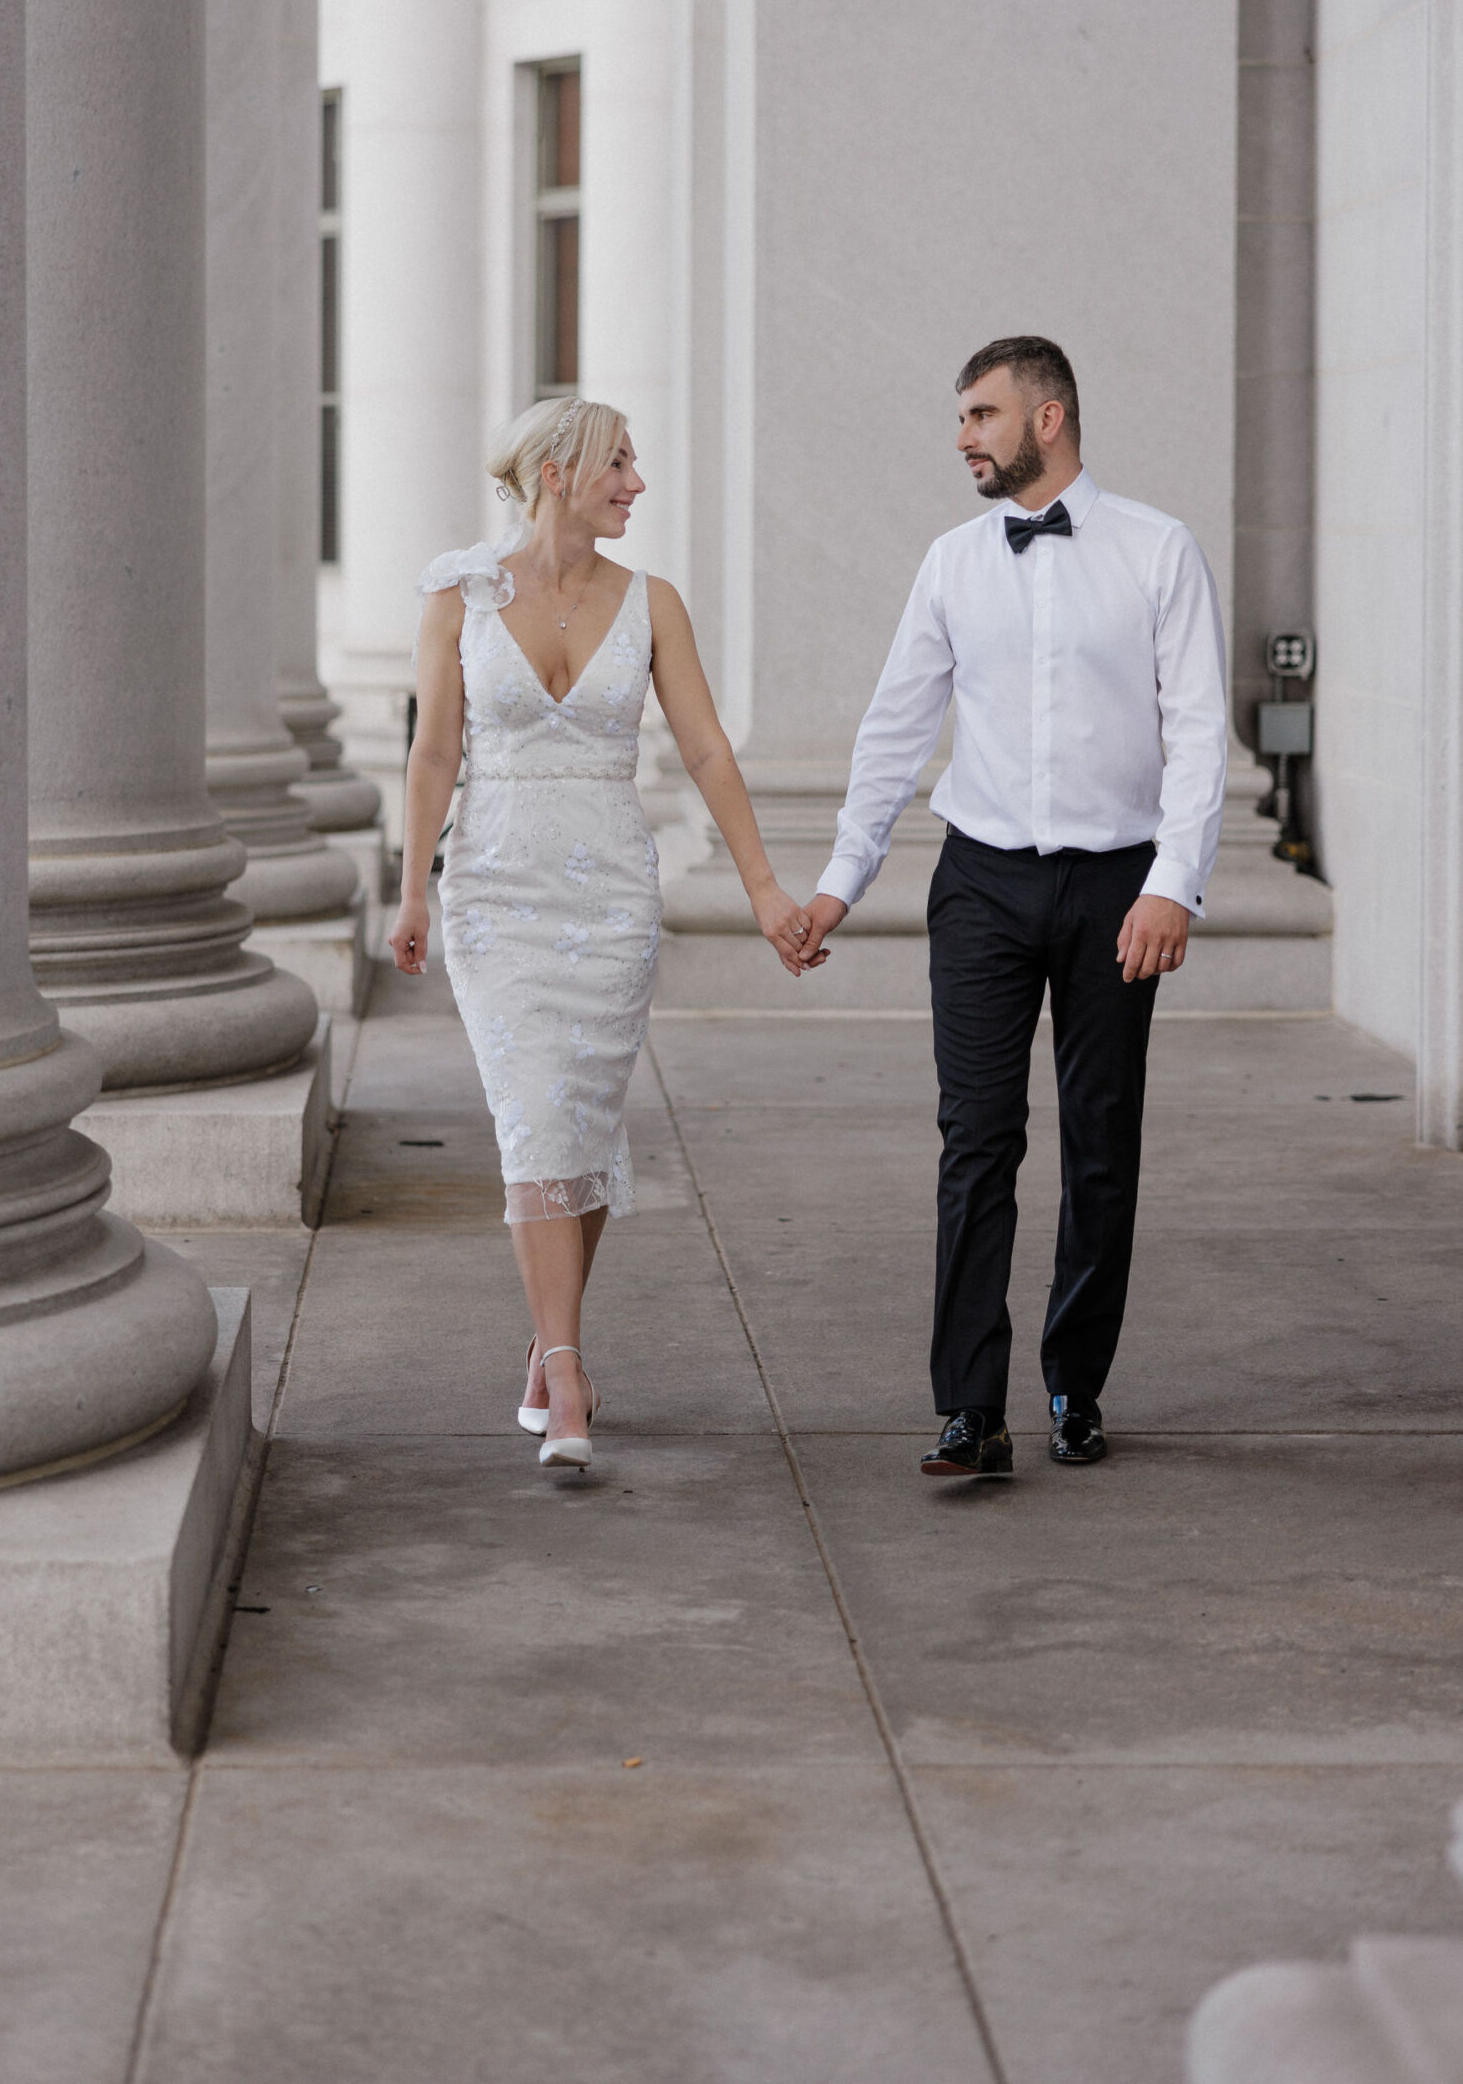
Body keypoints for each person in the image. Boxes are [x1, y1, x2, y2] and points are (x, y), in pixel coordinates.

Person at [799, 338, 1228, 1479]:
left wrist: (1172, 883)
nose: (963, 438)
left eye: (982, 414)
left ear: (1049, 417)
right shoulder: (951, 562)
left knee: (1099, 1148)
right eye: (961, 418)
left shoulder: (1158, 550)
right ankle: (967, 1408)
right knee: (977, 1141)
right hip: (983, 879)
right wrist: (843, 879)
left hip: (1116, 889)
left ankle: (1073, 1385)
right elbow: (896, 728)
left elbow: (1196, 731)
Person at [391, 399, 812, 1472]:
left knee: (575, 1120)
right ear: (554, 473)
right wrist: (411, 893)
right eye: (617, 462)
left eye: (634, 462)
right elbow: (433, 754)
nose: (635, 481)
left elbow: (710, 754)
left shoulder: (654, 603)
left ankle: (548, 1340)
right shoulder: (458, 595)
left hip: (613, 900)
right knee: (533, 1118)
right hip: (496, 890)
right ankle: (570, 1369)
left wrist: (767, 892)